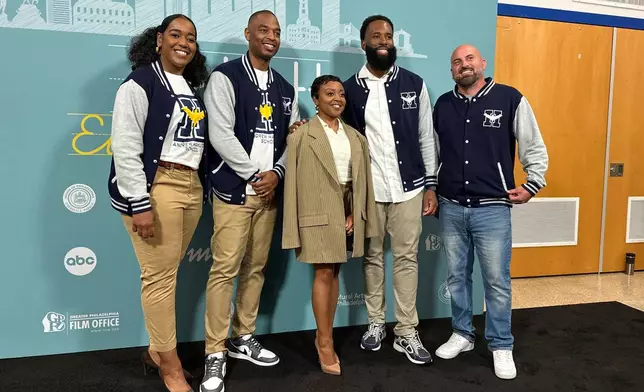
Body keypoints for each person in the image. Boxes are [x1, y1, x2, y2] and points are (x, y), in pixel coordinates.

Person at [432, 44, 548, 380]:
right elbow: (435, 151)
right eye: (456, 61)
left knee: (496, 282)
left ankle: (500, 344)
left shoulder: (509, 99)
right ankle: (463, 334)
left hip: (492, 209)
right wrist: (433, 187)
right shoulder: (443, 104)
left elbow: (533, 144)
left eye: (469, 59)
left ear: (482, 63)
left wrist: (533, 183)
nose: (463, 65)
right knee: (457, 277)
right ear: (452, 70)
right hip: (451, 206)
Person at [107, 14, 209, 392]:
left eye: (192, 38)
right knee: (160, 279)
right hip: (158, 186)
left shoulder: (188, 87)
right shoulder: (139, 83)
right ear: (158, 40)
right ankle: (170, 365)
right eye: (176, 35)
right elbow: (127, 146)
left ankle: (156, 351)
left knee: (166, 275)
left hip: (190, 186)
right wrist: (139, 202)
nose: (184, 42)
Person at [199, 10, 300, 392]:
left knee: (256, 268)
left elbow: (291, 139)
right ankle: (215, 350)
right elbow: (220, 133)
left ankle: (243, 337)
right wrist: (254, 175)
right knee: (225, 269)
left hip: (269, 192)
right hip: (235, 190)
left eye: (276, 32)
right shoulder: (225, 77)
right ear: (247, 34)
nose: (270, 37)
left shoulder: (285, 88)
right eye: (263, 30)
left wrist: (277, 173)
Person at [342, 15, 439, 365]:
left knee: (406, 259)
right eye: (376, 36)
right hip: (369, 192)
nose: (383, 41)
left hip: (409, 188)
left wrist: (430, 184)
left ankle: (406, 331)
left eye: (388, 36)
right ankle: (375, 323)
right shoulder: (349, 88)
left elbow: (426, 136)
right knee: (370, 258)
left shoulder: (415, 83)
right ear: (363, 43)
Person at [282, 75, 378, 375]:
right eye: (328, 93)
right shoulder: (300, 135)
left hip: (347, 210)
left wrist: (356, 213)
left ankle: (325, 335)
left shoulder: (355, 137)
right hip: (317, 212)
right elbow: (293, 185)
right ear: (315, 99)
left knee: (335, 269)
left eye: (340, 93)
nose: (337, 98)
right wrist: (292, 227)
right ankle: (324, 342)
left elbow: (362, 184)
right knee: (324, 271)